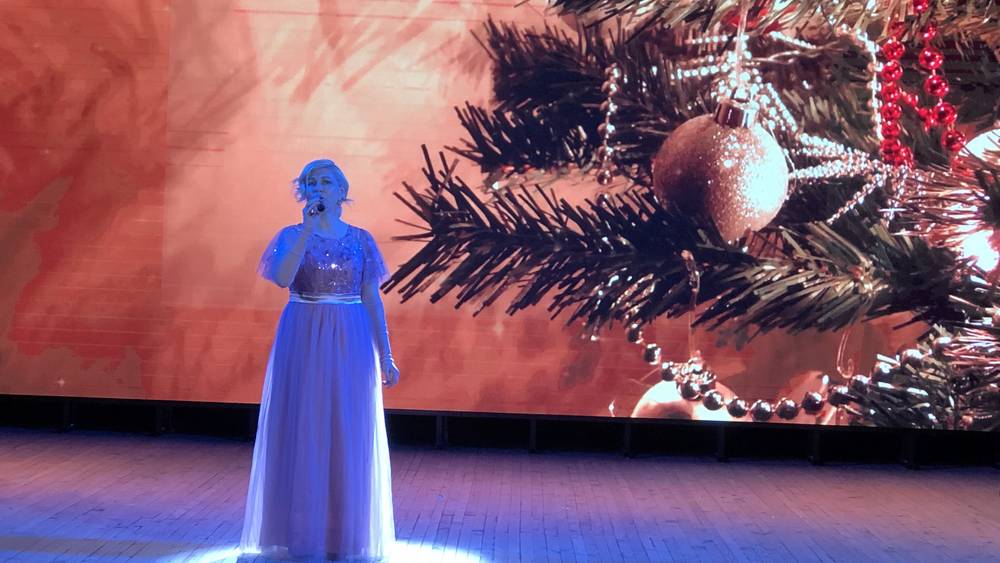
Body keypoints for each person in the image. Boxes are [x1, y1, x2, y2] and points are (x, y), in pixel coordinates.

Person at [240, 159, 399, 562]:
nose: (318, 188)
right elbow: (282, 278)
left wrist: (386, 355)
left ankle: (344, 535)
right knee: (304, 429)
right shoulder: (292, 234)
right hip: (304, 333)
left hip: (350, 337)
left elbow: (371, 298)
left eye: (326, 181)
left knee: (348, 432)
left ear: (342, 190)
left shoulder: (361, 240)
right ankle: (301, 534)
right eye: (311, 182)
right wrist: (307, 231)